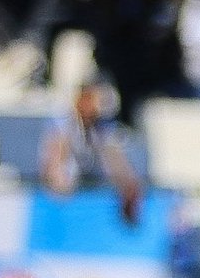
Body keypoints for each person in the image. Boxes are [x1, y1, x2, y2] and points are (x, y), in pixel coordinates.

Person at [41, 80, 146, 220]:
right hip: (66, 184)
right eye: (91, 101)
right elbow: (56, 154)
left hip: (92, 177)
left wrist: (128, 185)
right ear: (81, 100)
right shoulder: (63, 121)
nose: (95, 108)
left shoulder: (102, 125)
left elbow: (114, 157)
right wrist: (58, 177)